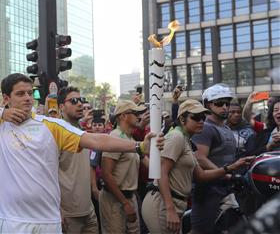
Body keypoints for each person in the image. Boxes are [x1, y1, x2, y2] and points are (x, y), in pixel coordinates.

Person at [0, 73, 165, 233]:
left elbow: (95, 139)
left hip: (48, 221)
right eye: (20, 94)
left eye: (30, 93)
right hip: (11, 221)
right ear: (6, 98)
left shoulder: (51, 125)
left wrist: (138, 146)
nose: (27, 98)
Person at [141, 99, 255, 234]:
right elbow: (161, 172)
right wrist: (170, 209)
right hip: (163, 203)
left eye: (202, 117)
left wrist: (231, 167)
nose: (201, 121)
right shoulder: (176, 137)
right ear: (182, 119)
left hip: (173, 203)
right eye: (195, 117)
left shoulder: (186, 140)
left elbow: (201, 175)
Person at [190, 83, 239, 234]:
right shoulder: (205, 127)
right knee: (203, 230)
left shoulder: (224, 127)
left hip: (224, 187)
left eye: (227, 103)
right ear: (207, 105)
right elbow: (199, 158)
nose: (225, 107)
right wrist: (226, 173)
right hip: (208, 190)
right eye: (219, 103)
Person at [99, 100, 149, 234]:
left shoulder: (132, 140)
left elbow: (149, 164)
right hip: (114, 199)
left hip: (130, 197)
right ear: (123, 116)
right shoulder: (115, 137)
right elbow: (106, 174)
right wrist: (125, 203)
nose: (139, 116)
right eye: (135, 113)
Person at [57, 86, 98, 233]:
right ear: (61, 106)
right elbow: (46, 175)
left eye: (81, 100)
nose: (80, 104)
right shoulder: (56, 133)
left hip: (89, 211)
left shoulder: (81, 131)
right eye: (74, 101)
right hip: (68, 215)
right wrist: (58, 210)